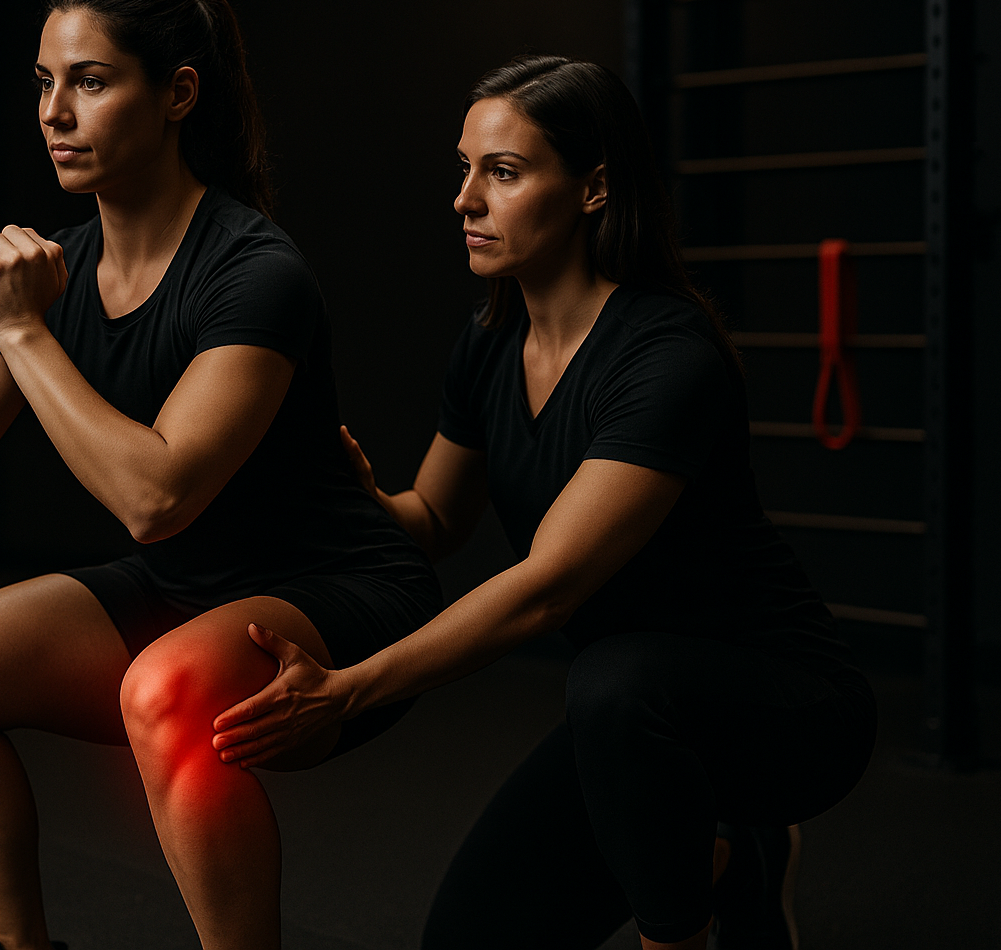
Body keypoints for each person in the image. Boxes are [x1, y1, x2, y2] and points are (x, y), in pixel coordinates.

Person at [211, 54, 877, 950]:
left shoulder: (667, 357)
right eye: (465, 168)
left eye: (505, 172)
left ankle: (680, 927)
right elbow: (435, 523)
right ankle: (734, 860)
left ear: (595, 188)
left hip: (785, 710)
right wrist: (349, 490)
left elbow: (549, 588)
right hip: (630, 726)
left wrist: (347, 693)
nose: (465, 200)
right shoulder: (490, 342)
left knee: (611, 677)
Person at [0, 0, 441, 950]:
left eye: (91, 81)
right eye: (45, 83)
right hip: (187, 586)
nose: (57, 111)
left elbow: (156, 496)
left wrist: (23, 336)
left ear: (178, 93)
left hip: (334, 594)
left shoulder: (254, 270)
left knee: (166, 687)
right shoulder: (59, 272)